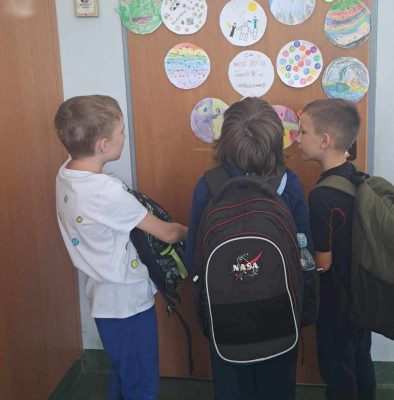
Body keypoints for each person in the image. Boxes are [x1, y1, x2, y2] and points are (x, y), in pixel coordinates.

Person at [54, 95, 187, 400]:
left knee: (122, 371)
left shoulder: (67, 175)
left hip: (102, 297)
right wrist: (198, 232)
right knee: (141, 382)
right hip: (128, 301)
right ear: (103, 145)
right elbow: (167, 233)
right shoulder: (106, 193)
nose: (125, 137)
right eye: (122, 131)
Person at [184, 97, 313, 400]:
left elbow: (193, 258)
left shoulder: (208, 185)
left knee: (231, 387)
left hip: (225, 315)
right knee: (277, 388)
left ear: (225, 140)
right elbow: (305, 251)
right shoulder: (289, 184)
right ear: (276, 141)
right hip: (280, 312)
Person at [296, 98, 376, 400]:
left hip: (335, 300)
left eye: (303, 131)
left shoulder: (322, 195)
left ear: (325, 140)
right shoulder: (360, 178)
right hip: (363, 292)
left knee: (337, 367)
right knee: (360, 359)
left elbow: (323, 263)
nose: (297, 139)